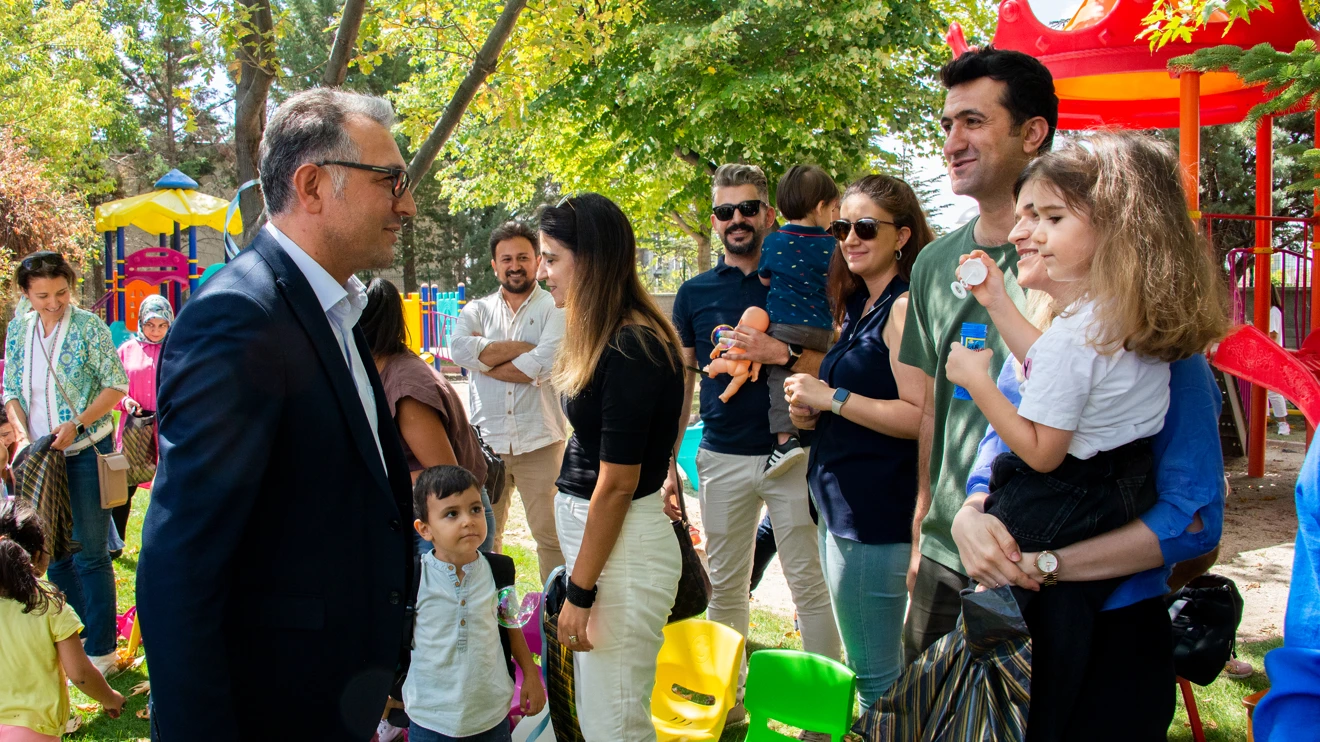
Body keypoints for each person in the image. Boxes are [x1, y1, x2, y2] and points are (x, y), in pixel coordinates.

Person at [137, 89, 417, 741]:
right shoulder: (237, 321)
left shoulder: (333, 309)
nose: (406, 204)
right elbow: (181, 566)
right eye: (391, 181)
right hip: (272, 710)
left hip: (332, 699)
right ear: (314, 184)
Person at [951, 133, 1229, 739]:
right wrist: (970, 516)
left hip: (1107, 635)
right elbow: (995, 454)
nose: (1019, 233)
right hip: (1011, 602)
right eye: (1023, 214)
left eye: (1045, 216)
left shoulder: (1160, 353)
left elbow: (1194, 519)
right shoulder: (1046, 335)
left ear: (1121, 234)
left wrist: (1046, 564)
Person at [898, 46, 1058, 661]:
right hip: (946, 546)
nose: (952, 141)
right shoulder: (935, 263)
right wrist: (922, 526)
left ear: (1033, 132)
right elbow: (936, 408)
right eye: (947, 125)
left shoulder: (1078, 260)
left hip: (1033, 555)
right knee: (929, 720)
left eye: (974, 121)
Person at [670, 164, 841, 722]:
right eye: (725, 211)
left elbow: (834, 360)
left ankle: (819, 717)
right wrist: (671, 461)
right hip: (720, 456)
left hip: (794, 455)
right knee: (726, 588)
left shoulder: (807, 277)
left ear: (770, 213)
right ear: (714, 221)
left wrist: (782, 355)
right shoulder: (695, 293)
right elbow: (685, 381)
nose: (737, 220)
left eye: (748, 208)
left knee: (809, 588)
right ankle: (729, 707)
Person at [536, 193, 684, 740]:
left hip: (620, 555)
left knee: (614, 724)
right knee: (602, 714)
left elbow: (617, 484)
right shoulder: (609, 332)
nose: (542, 271)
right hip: (607, 549)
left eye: (552, 257)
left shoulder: (631, 344)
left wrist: (581, 592)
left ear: (591, 259)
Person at [783, 174, 932, 707]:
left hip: (873, 516)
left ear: (904, 236)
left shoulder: (900, 308)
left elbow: (919, 415)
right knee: (870, 665)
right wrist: (813, 414)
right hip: (841, 506)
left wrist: (831, 399)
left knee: (876, 678)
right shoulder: (861, 305)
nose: (850, 238)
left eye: (866, 227)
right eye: (841, 227)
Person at [3, 251, 130, 678]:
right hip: (40, 455)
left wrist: (76, 423)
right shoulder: (18, 329)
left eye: (60, 292)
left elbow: (116, 385)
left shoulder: (89, 327)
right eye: (42, 295)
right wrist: (21, 435)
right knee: (52, 552)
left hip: (84, 450)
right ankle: (72, 642)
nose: (53, 302)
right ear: (26, 293)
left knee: (91, 552)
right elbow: (11, 390)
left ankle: (102, 649)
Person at [451, 221, 568, 580]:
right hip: (486, 445)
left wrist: (484, 360)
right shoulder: (476, 310)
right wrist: (524, 353)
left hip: (541, 442)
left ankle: (554, 616)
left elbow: (544, 364)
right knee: (483, 537)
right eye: (506, 259)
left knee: (551, 538)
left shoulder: (557, 306)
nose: (514, 265)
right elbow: (458, 349)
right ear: (494, 265)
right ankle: (491, 617)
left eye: (522, 257)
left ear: (537, 260)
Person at [402, 465, 544, 742]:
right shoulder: (414, 577)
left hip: (491, 715)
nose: (468, 520)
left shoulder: (498, 570)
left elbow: (510, 626)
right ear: (425, 529)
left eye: (476, 509)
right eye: (452, 514)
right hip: (430, 718)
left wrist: (530, 675)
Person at [361, 277, 494, 554]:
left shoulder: (405, 388)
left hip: (451, 522)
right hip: (433, 518)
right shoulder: (385, 370)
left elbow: (446, 474)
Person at [0, 501, 126, 741]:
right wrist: (110, 698)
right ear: (38, 555)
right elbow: (80, 674)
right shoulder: (49, 605)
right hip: (34, 731)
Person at [757, 165, 840, 476]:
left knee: (780, 378)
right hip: (822, 328)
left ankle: (784, 440)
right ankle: (814, 420)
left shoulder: (774, 242)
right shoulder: (833, 245)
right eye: (834, 208)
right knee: (817, 374)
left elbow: (765, 279)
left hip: (785, 326)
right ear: (820, 207)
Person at [110, 294, 173, 550]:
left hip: (169, 424)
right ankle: (115, 542)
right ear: (140, 323)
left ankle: (163, 541)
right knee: (125, 486)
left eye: (161, 325)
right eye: (150, 324)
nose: (155, 331)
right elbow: (111, 387)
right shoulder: (127, 350)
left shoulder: (178, 349)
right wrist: (125, 402)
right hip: (134, 427)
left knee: (168, 483)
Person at [1269, 288, 1290, 435]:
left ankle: (1283, 424)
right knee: (1266, 390)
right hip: (1269, 355)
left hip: (1271, 356)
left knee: (1273, 391)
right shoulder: (1272, 311)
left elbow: (1273, 335)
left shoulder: (1272, 311)